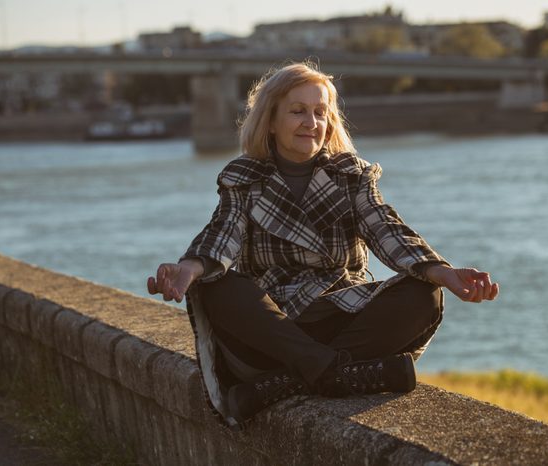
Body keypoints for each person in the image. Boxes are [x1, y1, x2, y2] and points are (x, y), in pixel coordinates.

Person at [147, 62, 499, 427]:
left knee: (425, 293)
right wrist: (188, 269)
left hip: (341, 317)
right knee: (217, 287)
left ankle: (290, 382)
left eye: (320, 112)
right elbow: (223, 234)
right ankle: (337, 373)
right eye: (298, 112)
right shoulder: (243, 179)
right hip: (273, 329)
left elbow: (387, 230)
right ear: (270, 120)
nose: (311, 122)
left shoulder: (352, 176)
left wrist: (443, 272)